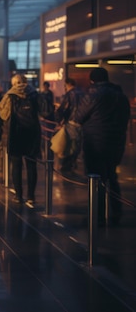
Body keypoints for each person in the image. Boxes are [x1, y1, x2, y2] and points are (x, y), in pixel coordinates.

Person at [72, 68, 130, 226]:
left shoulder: (92, 95)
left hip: (95, 142)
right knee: (112, 176)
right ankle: (116, 211)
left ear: (92, 80)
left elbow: (79, 116)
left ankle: (96, 215)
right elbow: (126, 118)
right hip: (116, 142)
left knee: (95, 179)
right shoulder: (120, 95)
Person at [0, 74, 42, 206]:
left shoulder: (10, 95)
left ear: (14, 83)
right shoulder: (34, 94)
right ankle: (31, 196)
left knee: (16, 165)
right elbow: (45, 110)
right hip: (32, 133)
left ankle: (18, 195)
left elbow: (3, 114)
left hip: (15, 132)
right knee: (31, 166)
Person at [55, 78, 83, 175]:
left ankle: (67, 165)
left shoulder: (70, 94)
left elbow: (63, 108)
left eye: (65, 85)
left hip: (71, 122)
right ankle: (73, 162)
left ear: (68, 84)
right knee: (76, 144)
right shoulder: (82, 93)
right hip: (81, 122)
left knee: (69, 144)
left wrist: (60, 120)